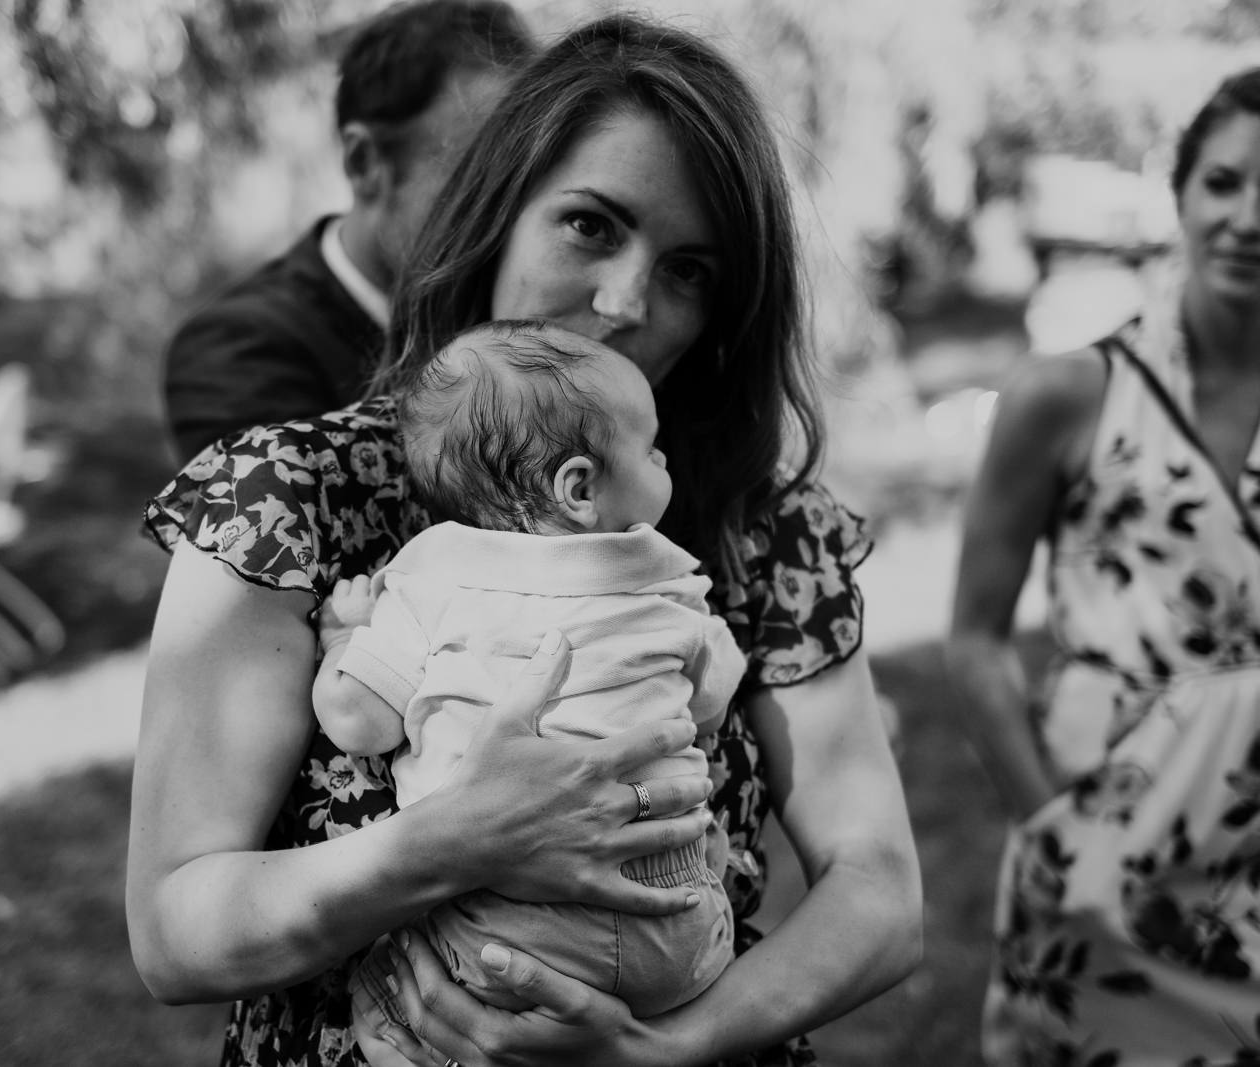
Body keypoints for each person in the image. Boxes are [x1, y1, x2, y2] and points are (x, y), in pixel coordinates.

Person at [131, 14, 921, 1067]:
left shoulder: (759, 529)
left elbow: (880, 885)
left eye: (689, 270)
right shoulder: (292, 498)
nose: (626, 301)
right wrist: (445, 843)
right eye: (591, 226)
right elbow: (176, 930)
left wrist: (666, 1045)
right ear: (495, 214)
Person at [946, 63, 1260, 1066]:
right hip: (1099, 852)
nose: (1250, 217)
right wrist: (1051, 826)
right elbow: (976, 640)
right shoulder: (1065, 393)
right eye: (1224, 183)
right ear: (1182, 194)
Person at [313, 320, 743, 1021]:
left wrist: (342, 637)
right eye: (651, 448)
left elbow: (358, 721)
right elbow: (707, 704)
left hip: (503, 920)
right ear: (579, 487)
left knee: (399, 1002)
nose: (666, 459)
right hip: (670, 903)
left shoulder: (429, 582)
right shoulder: (668, 587)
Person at [161, 0, 535, 462]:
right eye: (474, 179)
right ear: (364, 163)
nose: (504, 215)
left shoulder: (521, 313)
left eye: (524, 185)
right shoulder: (236, 352)